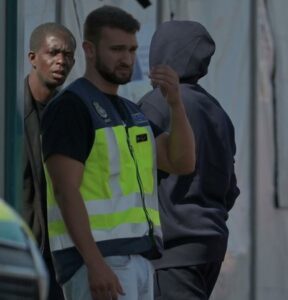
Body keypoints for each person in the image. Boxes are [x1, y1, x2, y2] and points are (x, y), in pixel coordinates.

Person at [41, 6, 195, 300]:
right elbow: (64, 189)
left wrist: (176, 105)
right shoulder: (71, 107)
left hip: (139, 259)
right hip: (99, 261)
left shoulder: (130, 112)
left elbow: (182, 162)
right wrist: (94, 262)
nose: (126, 59)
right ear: (89, 49)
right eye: (116, 49)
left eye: (132, 49)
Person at [138, 20, 239, 299]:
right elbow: (230, 187)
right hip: (211, 242)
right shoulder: (217, 111)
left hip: (172, 247)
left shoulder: (155, 104)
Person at [23, 22, 76, 299]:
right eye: (53, 53)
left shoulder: (73, 115)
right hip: (16, 249)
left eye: (67, 56)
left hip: (58, 256)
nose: (60, 61)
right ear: (32, 58)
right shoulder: (8, 112)